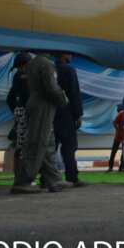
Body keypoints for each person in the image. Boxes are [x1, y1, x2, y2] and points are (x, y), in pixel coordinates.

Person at [11, 52, 68, 194]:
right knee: (38, 142)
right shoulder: (46, 64)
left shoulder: (34, 63)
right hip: (44, 105)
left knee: (47, 143)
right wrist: (62, 99)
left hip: (35, 103)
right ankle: (23, 181)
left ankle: (54, 179)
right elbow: (51, 87)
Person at [53, 53, 86, 187]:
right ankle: (72, 177)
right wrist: (77, 114)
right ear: (65, 55)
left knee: (51, 147)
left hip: (52, 114)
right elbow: (74, 92)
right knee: (69, 147)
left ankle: (46, 178)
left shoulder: (51, 69)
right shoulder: (69, 70)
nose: (71, 56)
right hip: (66, 114)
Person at [5, 52, 32, 175]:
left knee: (21, 146)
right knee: (24, 147)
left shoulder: (18, 76)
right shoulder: (23, 77)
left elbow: (10, 98)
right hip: (26, 114)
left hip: (21, 113)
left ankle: (20, 177)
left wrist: (16, 111)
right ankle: (22, 178)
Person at [108, 105, 124, 172]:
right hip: (118, 136)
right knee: (114, 151)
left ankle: (121, 167)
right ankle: (110, 167)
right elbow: (114, 122)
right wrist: (117, 129)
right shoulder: (121, 113)